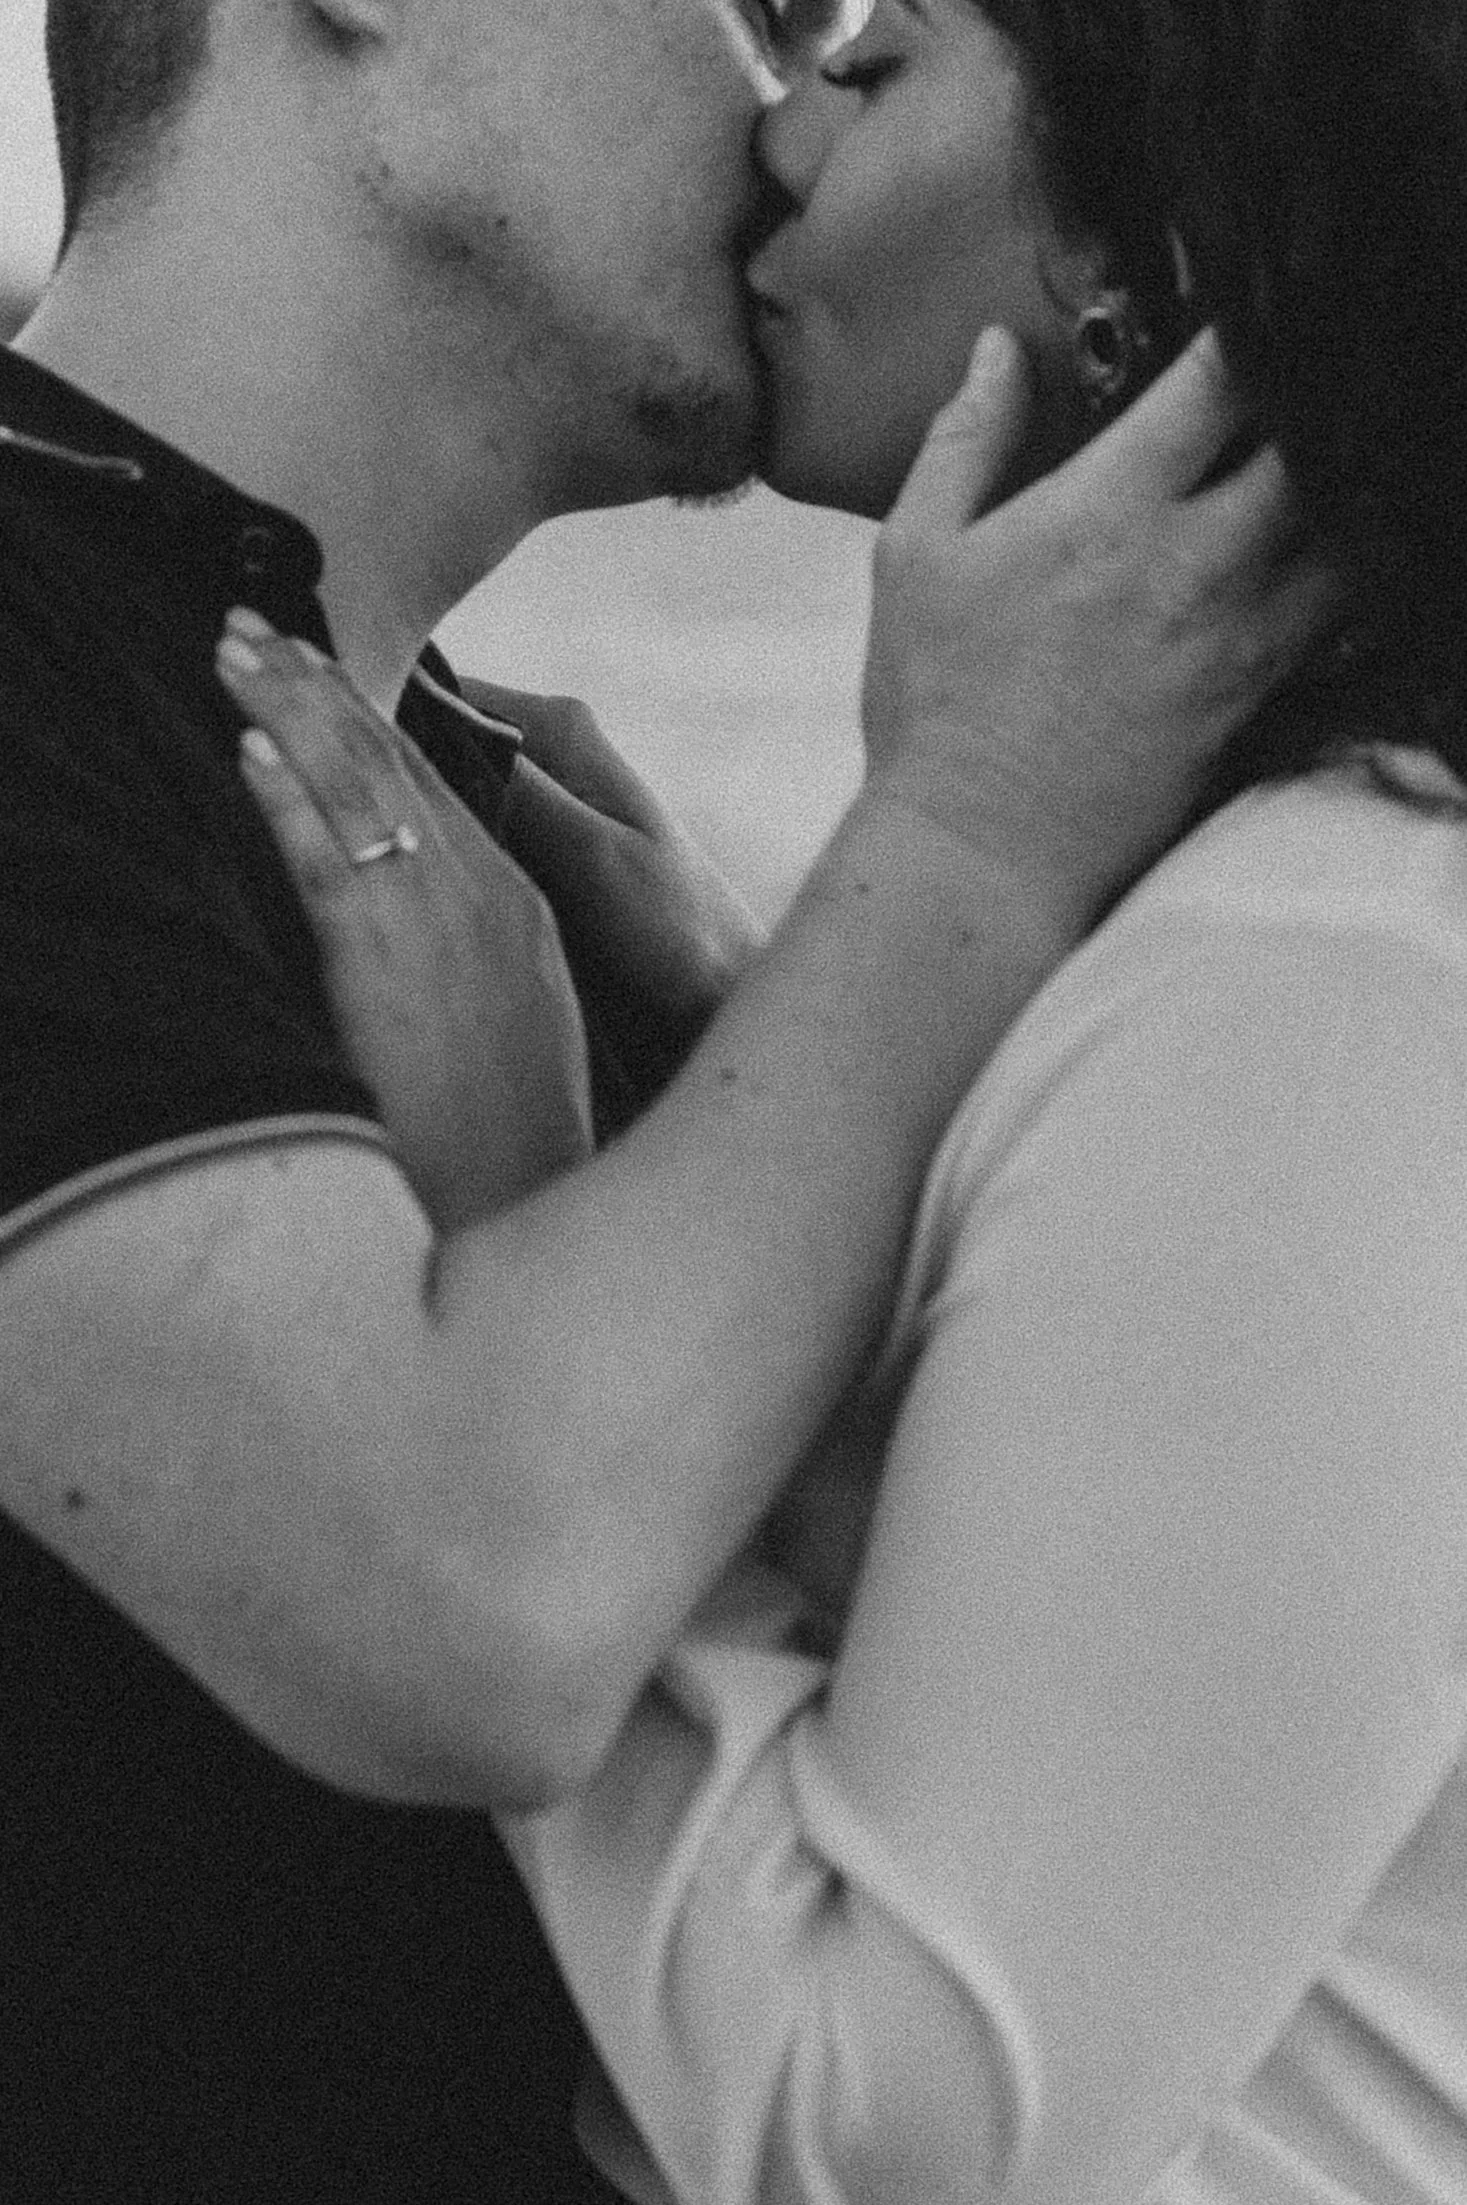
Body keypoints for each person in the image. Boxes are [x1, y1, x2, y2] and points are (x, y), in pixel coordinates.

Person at [0, 0, 1322, 2196]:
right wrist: (976, 828)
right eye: (759, 8)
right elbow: (469, 1598)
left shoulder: (505, 833)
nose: (801, 107)